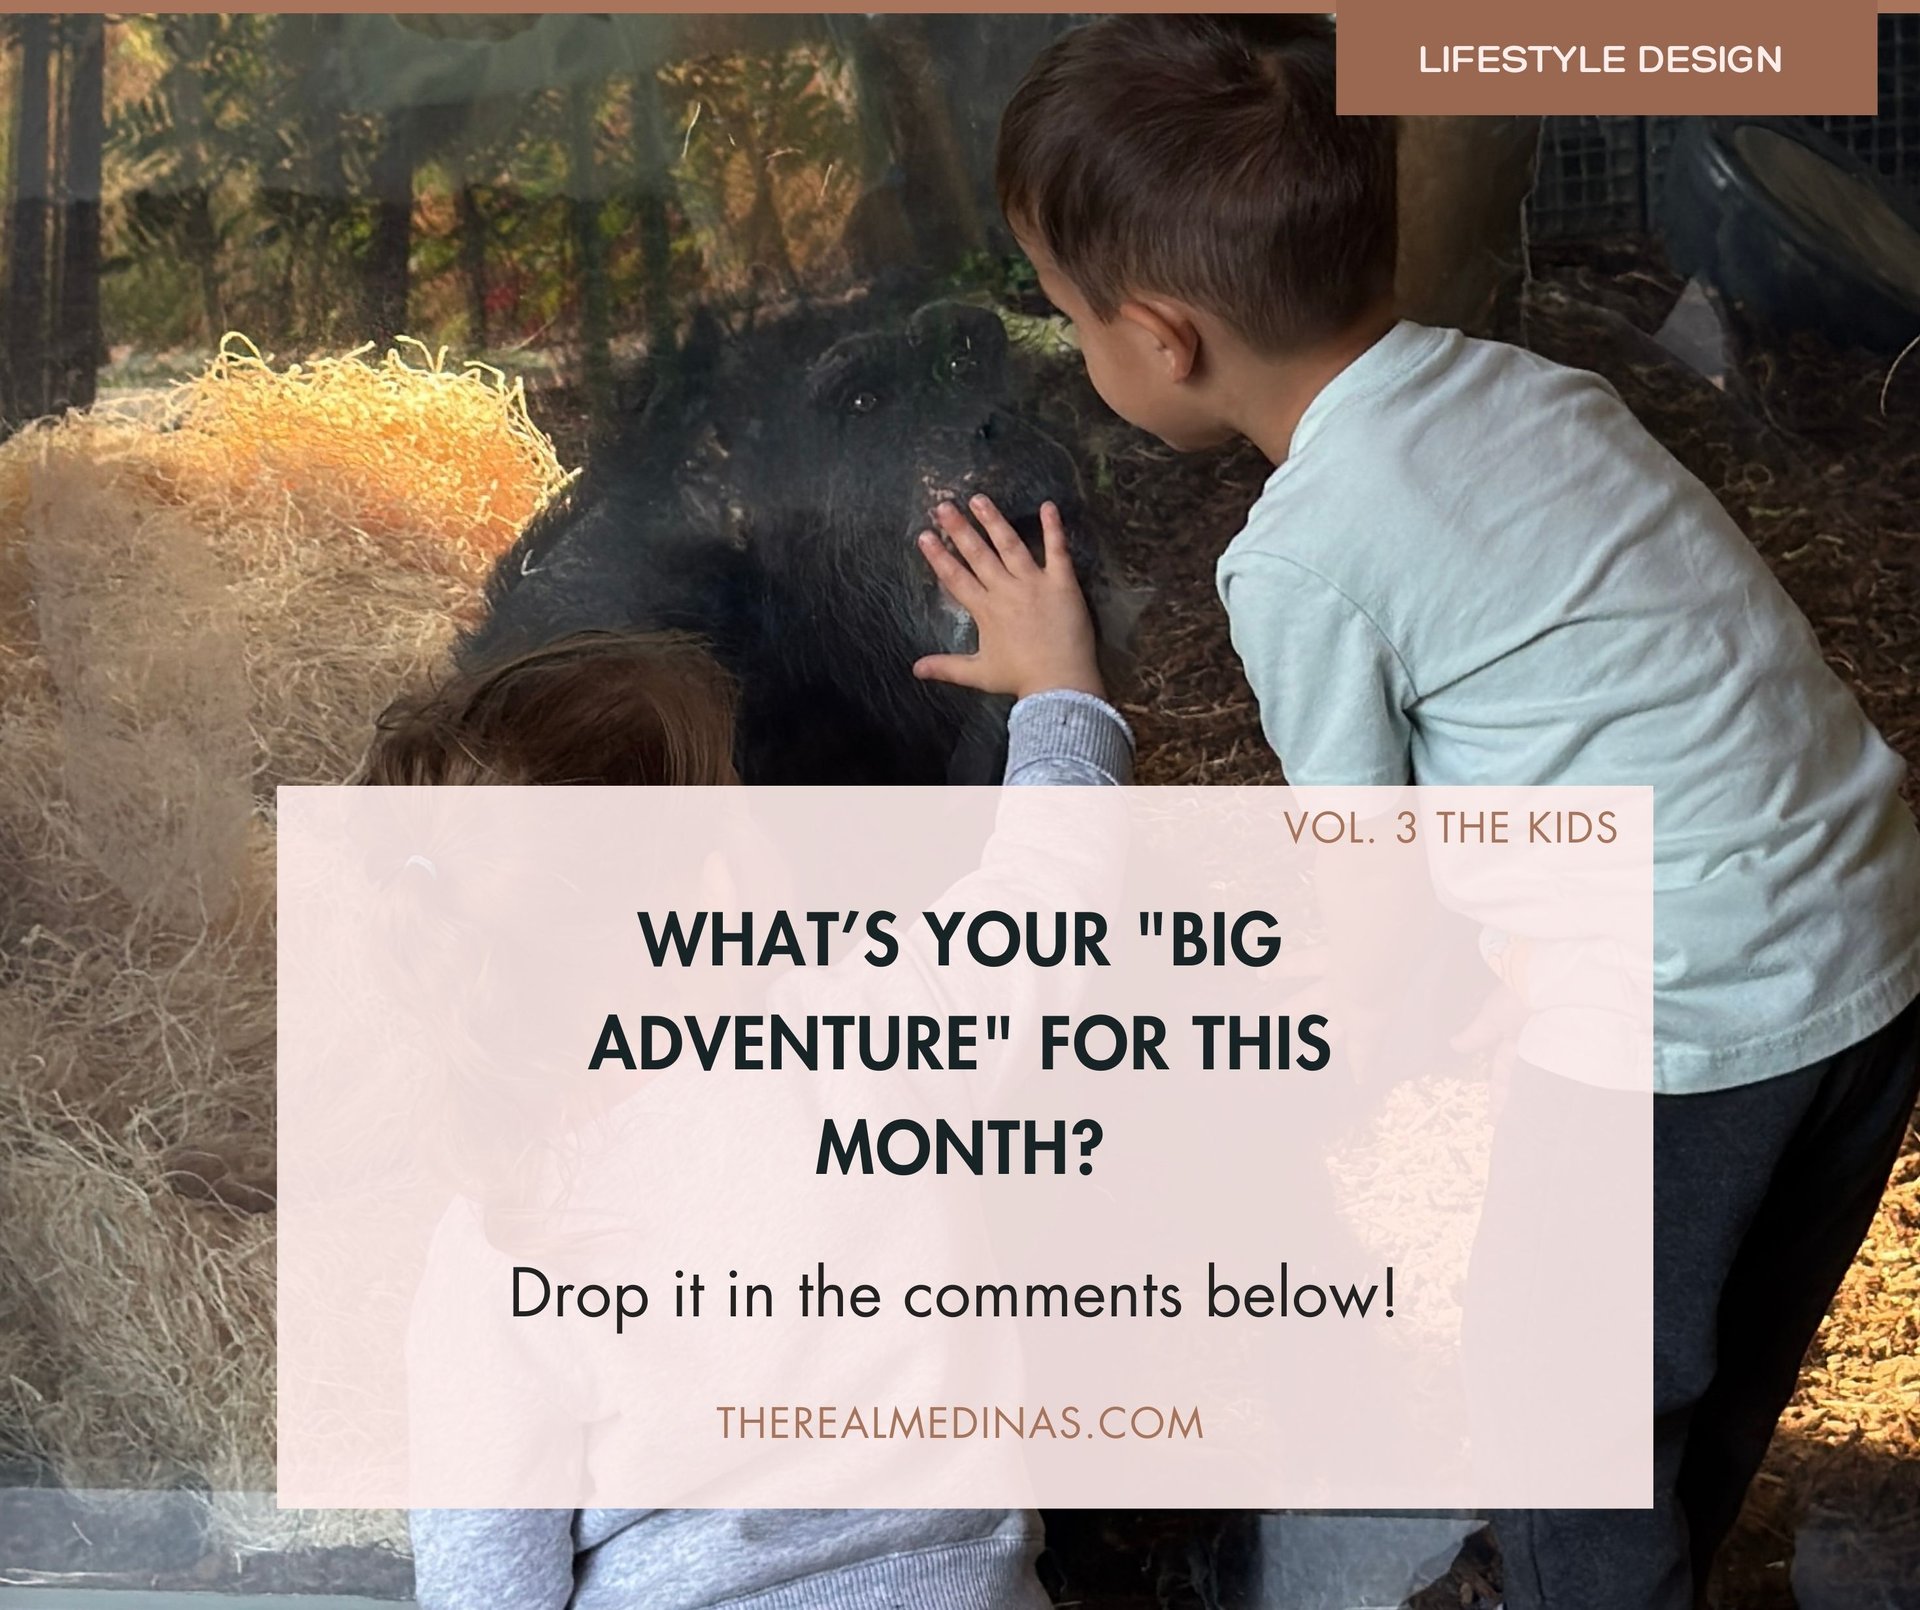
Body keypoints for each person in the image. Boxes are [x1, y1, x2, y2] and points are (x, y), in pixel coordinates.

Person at [912, 13, 1920, 1608]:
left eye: (1068, 317)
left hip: (1686, 1000)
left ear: (1163, 340)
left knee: (1553, 1398)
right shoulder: (1528, 387)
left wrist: (1321, 1079)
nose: (1078, 349)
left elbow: (1367, 887)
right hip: (1863, 927)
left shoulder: (1301, 551)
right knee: (1698, 1357)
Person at [356, 498, 1129, 1610]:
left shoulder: (503, 1231)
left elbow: (486, 1586)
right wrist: (1061, 691)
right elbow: (1051, 900)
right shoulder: (872, 1030)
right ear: (719, 883)